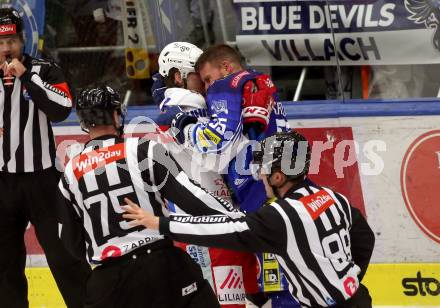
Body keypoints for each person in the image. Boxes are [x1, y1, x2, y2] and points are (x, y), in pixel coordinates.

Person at [123, 130, 376, 308]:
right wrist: (350, 280)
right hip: (359, 299)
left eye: (265, 171)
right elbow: (365, 239)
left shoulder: (281, 216)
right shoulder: (333, 197)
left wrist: (161, 224)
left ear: (279, 177)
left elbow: (225, 230)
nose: (261, 178)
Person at [57, 86, 233, 308]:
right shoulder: (144, 149)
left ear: (83, 122)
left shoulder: (69, 174)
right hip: (162, 267)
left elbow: (70, 243)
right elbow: (193, 198)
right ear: (115, 115)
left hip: (109, 284)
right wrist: (237, 218)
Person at [153, 41, 259, 308]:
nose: (208, 84)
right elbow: (215, 153)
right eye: (199, 77)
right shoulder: (186, 101)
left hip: (216, 219)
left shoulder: (180, 102)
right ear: (178, 76)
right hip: (206, 225)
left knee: (250, 295)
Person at [0, 8, 91, 308]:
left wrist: (27, 79)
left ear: (23, 40)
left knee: (65, 257)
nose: (6, 48)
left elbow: (63, 107)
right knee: (5, 264)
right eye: (1, 42)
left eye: (12, 40)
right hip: (3, 183)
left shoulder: (44, 70)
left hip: (43, 182)